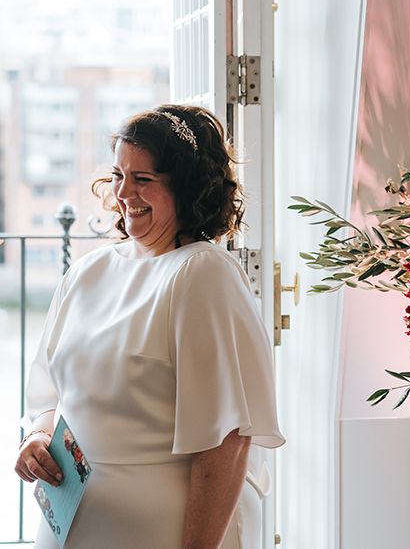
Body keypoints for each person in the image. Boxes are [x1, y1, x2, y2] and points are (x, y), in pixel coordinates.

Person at [15, 105, 284, 549]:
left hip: (161, 530)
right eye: (119, 175)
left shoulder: (201, 273)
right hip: (72, 519)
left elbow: (228, 440)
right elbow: (48, 394)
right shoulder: (90, 271)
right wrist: (40, 436)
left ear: (187, 188)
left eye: (144, 179)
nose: (124, 193)